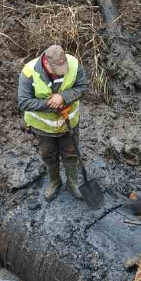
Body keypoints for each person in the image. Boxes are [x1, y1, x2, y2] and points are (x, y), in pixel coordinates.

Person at [18, 45, 89, 201]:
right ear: (46, 63)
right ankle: (54, 182)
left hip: (69, 122)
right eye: (57, 70)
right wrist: (51, 104)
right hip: (43, 127)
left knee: (70, 154)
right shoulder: (29, 72)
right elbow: (24, 102)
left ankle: (73, 182)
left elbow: (83, 87)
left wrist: (64, 96)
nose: (62, 73)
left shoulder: (74, 64)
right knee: (49, 155)